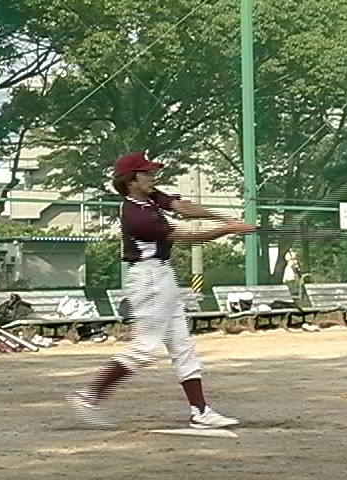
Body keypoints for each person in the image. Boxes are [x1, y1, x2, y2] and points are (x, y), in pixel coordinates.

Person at [67, 151, 252, 429]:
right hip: (149, 277)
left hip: (162, 275)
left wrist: (222, 217)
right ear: (131, 180)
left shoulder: (149, 196)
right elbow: (186, 236)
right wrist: (228, 230)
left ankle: (200, 411)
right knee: (144, 348)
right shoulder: (136, 215)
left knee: (181, 344)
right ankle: (88, 396)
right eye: (146, 173)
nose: (152, 177)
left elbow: (181, 207)